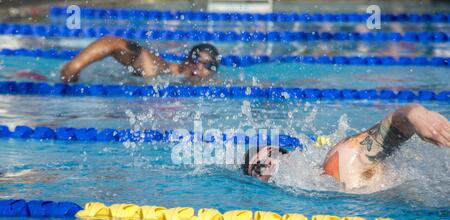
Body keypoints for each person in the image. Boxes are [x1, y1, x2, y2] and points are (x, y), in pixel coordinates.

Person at [242, 103, 450, 191]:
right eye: (260, 169)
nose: (270, 164)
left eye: (274, 154)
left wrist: (417, 115)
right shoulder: (320, 187)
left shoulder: (339, 161)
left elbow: (398, 122)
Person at [60, 36, 220, 84]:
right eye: (195, 58)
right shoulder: (161, 68)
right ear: (186, 59)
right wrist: (75, 66)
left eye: (208, 65)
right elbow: (112, 43)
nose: (199, 66)